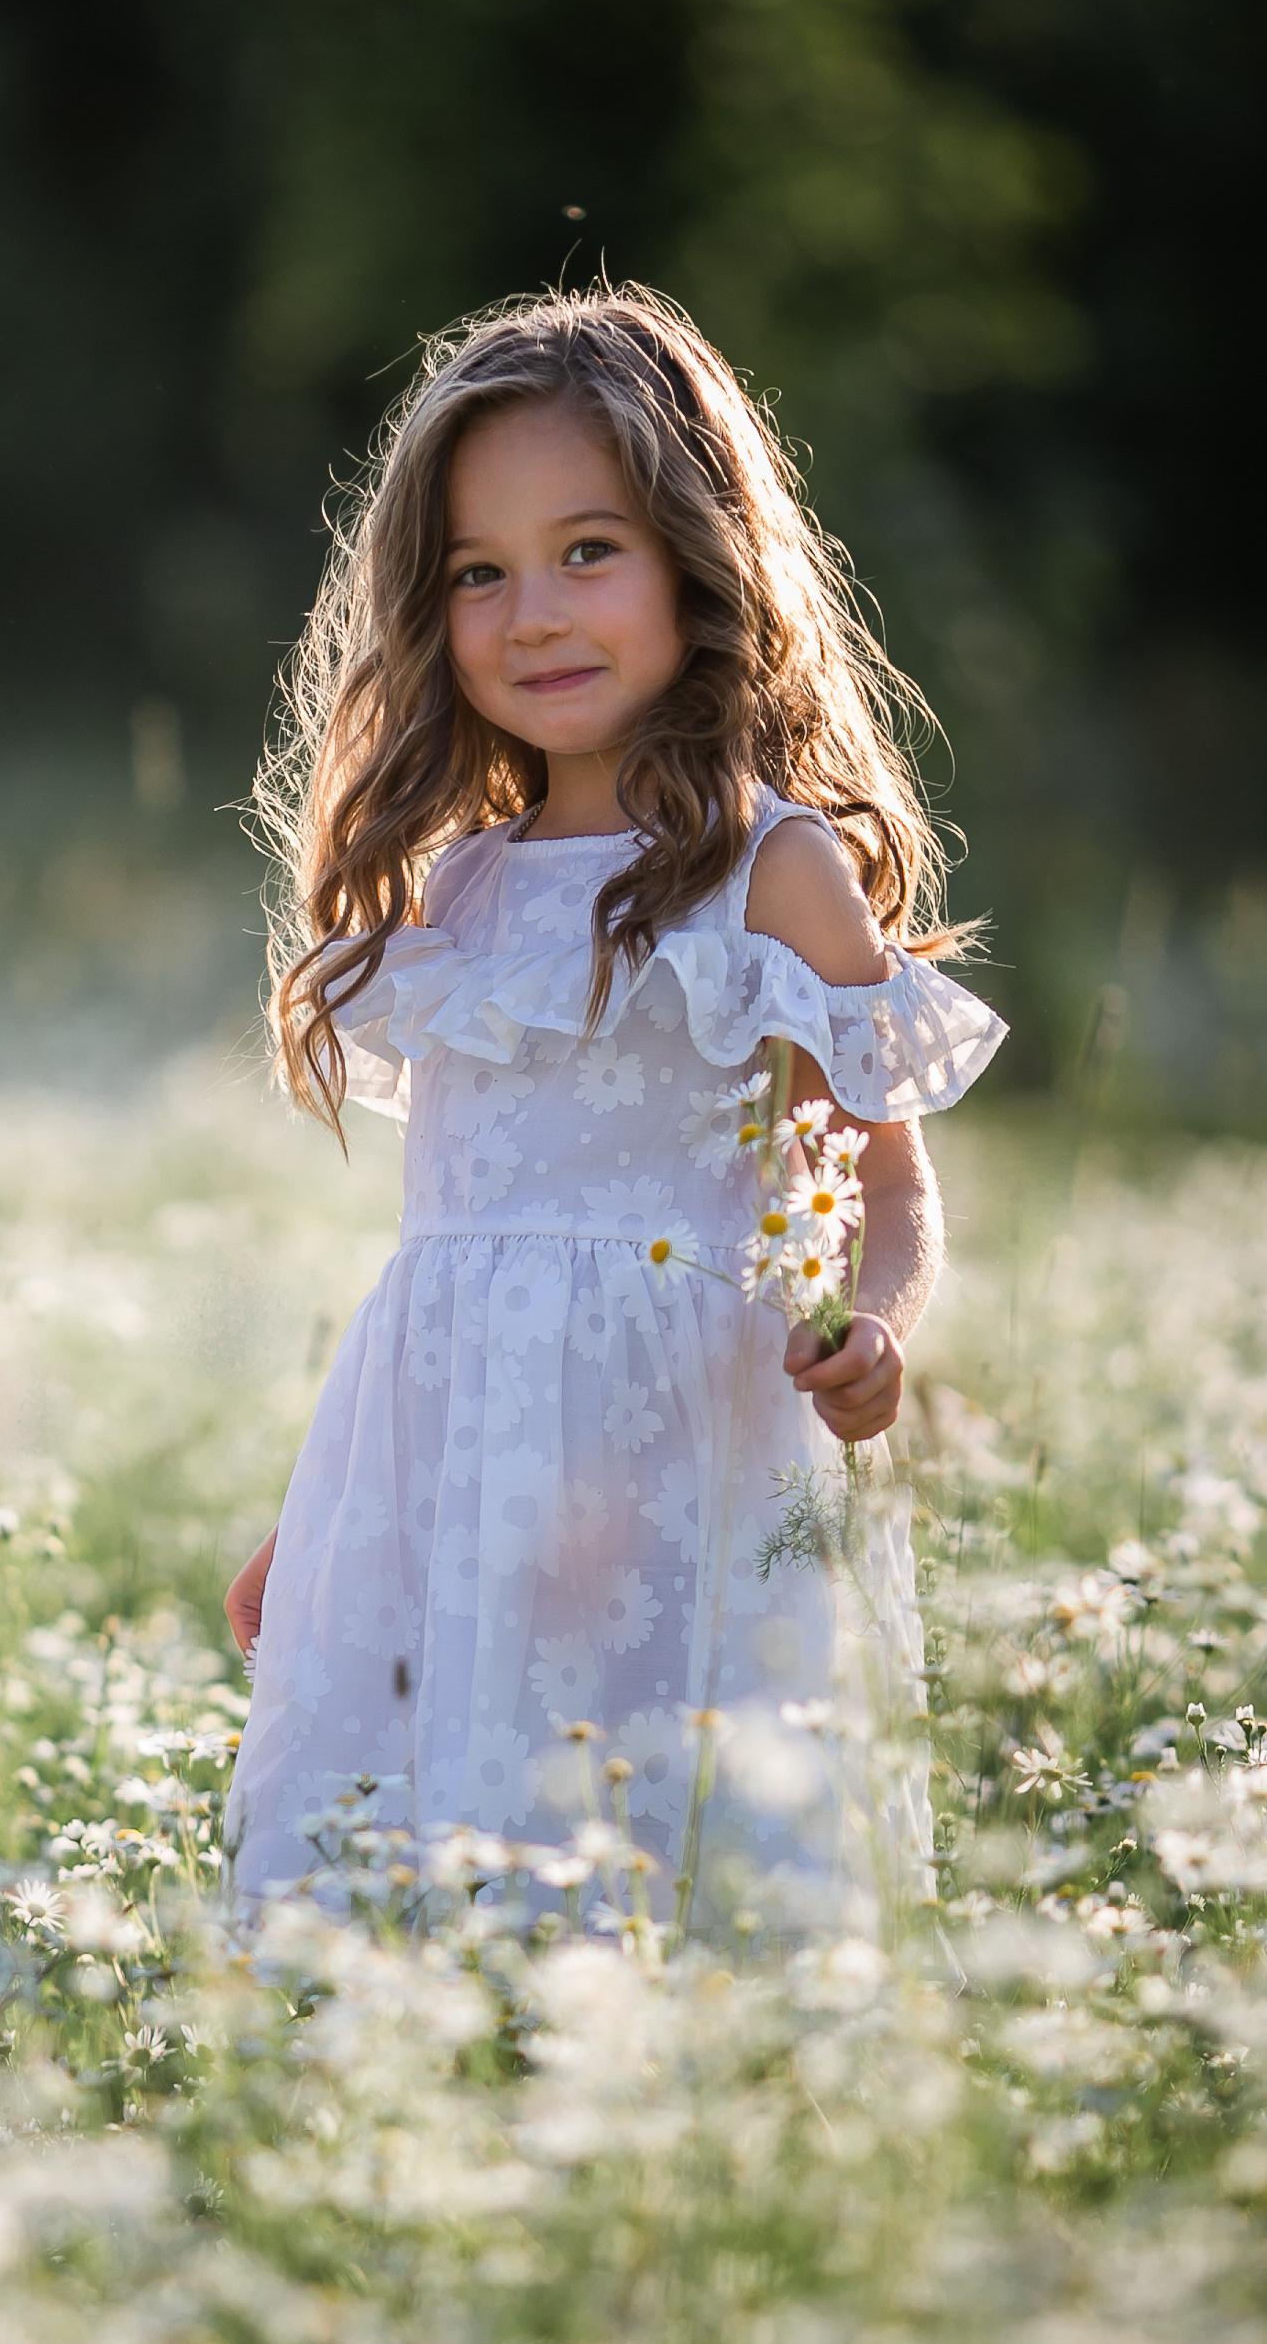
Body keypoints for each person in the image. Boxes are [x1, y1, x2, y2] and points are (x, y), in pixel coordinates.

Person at [222, 287, 1005, 1921]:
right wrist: (346, 1528)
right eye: (478, 574)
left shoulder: (772, 873)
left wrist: (870, 1325)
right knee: (421, 1875)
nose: (533, 614)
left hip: (691, 1461)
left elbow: (883, 1184)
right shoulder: (455, 897)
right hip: (457, 1478)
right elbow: (453, 1275)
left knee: (676, 1864)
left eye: (590, 551)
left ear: (696, 560)